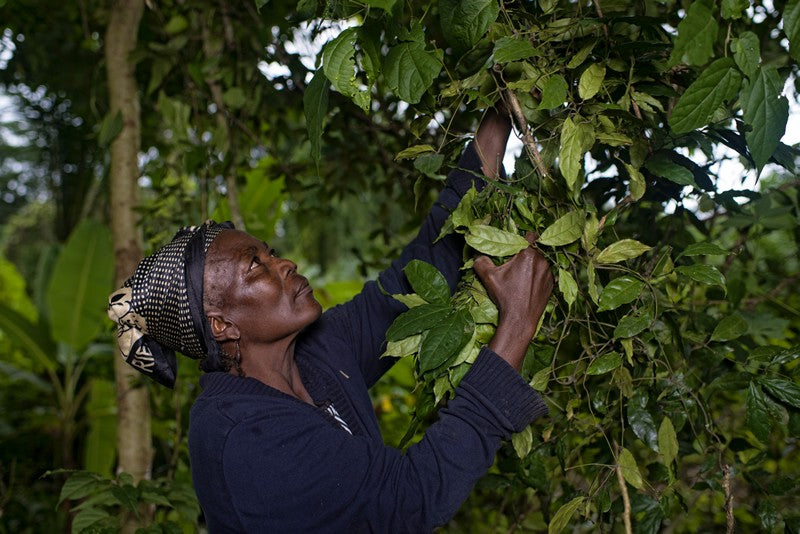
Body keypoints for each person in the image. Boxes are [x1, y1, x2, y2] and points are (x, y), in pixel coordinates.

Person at [107, 107, 554, 533]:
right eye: (254, 267)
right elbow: (410, 497)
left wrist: (497, 120)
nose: (284, 264)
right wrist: (516, 326)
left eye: (271, 252)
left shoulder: (317, 350)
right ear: (222, 324)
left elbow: (413, 278)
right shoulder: (240, 436)